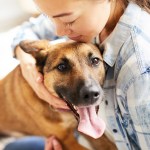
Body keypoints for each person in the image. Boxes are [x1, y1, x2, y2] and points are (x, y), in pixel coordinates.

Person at [6, 0, 150, 149]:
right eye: (51, 18)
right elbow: (28, 30)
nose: (58, 32)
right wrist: (27, 64)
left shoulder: (139, 73)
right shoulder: (89, 14)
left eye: (69, 20)